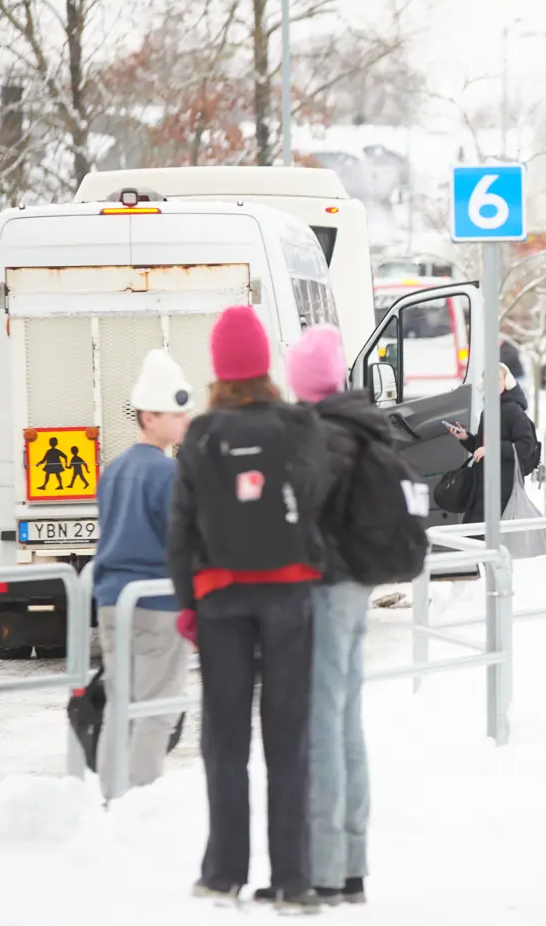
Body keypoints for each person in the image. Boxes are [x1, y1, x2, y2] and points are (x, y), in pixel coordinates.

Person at [168, 305, 330, 910]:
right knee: (288, 739)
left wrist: (188, 603)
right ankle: (292, 879)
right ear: (265, 364)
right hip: (290, 594)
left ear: (218, 368)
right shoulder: (297, 425)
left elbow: (180, 528)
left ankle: (222, 873)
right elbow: (315, 497)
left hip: (220, 600)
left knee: (226, 741)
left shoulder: (202, 435)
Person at [284, 325, 387, 906]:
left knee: (322, 725)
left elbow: (297, 512)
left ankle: (324, 869)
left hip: (325, 588)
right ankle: (351, 862)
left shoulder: (320, 435)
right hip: (356, 586)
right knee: (347, 723)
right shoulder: (363, 423)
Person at [93, 349, 194, 801]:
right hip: (158, 602)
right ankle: (140, 802)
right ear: (150, 416)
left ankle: (111, 796)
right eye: (177, 412)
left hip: (112, 601)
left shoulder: (113, 472)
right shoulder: (169, 474)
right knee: (158, 710)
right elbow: (181, 543)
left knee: (121, 703)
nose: (185, 419)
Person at [451, 362, 538, 525]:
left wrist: (491, 450)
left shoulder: (514, 411)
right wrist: (466, 438)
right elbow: (481, 449)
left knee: (487, 537)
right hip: (484, 485)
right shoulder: (488, 411)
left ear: (507, 381)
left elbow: (525, 446)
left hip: (503, 488)